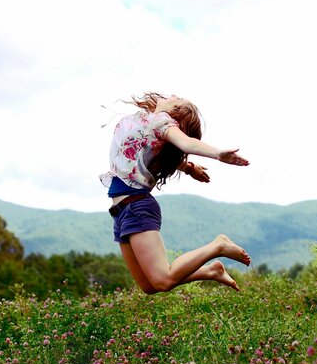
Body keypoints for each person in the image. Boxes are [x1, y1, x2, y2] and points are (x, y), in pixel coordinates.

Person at [99, 92, 251, 294]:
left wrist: (217, 154)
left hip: (136, 208)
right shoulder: (147, 122)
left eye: (177, 99)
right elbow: (146, 153)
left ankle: (218, 245)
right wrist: (188, 168)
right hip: (121, 212)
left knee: (163, 280)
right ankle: (211, 271)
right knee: (149, 286)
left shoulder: (164, 123)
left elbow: (186, 143)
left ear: (175, 113)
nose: (171, 95)